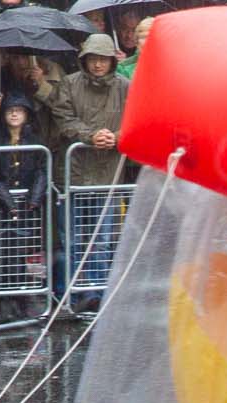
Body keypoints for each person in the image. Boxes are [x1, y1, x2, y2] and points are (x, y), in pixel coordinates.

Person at [49, 34, 131, 302]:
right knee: (71, 240)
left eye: (103, 60)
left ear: (111, 61)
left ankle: (96, 293)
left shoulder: (125, 87)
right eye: (93, 59)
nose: (98, 65)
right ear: (85, 60)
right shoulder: (69, 84)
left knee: (102, 240)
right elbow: (64, 120)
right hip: (73, 175)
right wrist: (90, 136)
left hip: (108, 176)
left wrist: (116, 137)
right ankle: (72, 295)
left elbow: (136, 121)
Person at [0, 91, 50, 319]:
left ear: (27, 115)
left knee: (24, 252)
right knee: (0, 253)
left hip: (26, 206)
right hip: (1, 205)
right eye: (10, 110)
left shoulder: (34, 140)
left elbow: (42, 170)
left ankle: (23, 298)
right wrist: (7, 201)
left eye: (19, 110)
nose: (14, 114)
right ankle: (1, 300)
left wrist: (33, 199)